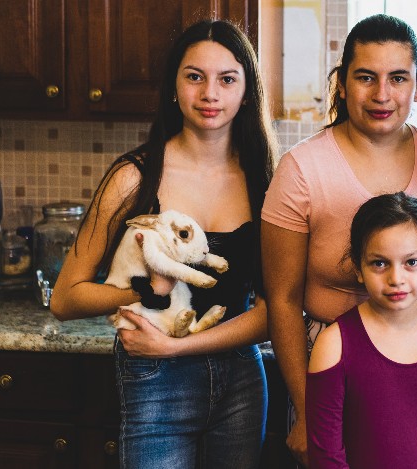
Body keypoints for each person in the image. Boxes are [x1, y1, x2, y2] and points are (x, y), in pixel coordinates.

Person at [50, 19, 278, 469]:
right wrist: (142, 293)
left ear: (246, 91)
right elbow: (65, 298)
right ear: (174, 88)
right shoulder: (134, 177)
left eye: (227, 79)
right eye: (194, 76)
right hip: (155, 381)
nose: (210, 93)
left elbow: (274, 312)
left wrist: (177, 347)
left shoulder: (266, 182)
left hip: (242, 384)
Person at [260, 13, 417, 466]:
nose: (382, 95)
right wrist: (304, 408)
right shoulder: (301, 169)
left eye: (398, 78)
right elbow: (281, 299)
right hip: (329, 371)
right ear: (341, 83)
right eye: (366, 77)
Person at [305, 192, 417, 468]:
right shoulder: (333, 345)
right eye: (379, 263)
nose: (396, 278)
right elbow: (326, 457)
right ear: (358, 268)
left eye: (411, 262)